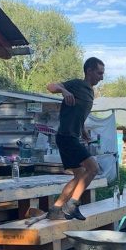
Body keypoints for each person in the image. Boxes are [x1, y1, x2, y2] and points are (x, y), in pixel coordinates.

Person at [45, 57, 104, 220]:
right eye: (99, 73)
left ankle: (56, 209)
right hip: (66, 137)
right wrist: (63, 90)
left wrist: (83, 129)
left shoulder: (90, 92)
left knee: (79, 175)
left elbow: (78, 114)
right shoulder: (77, 84)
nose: (102, 77)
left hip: (71, 136)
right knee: (93, 168)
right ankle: (72, 205)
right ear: (89, 70)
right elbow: (51, 86)